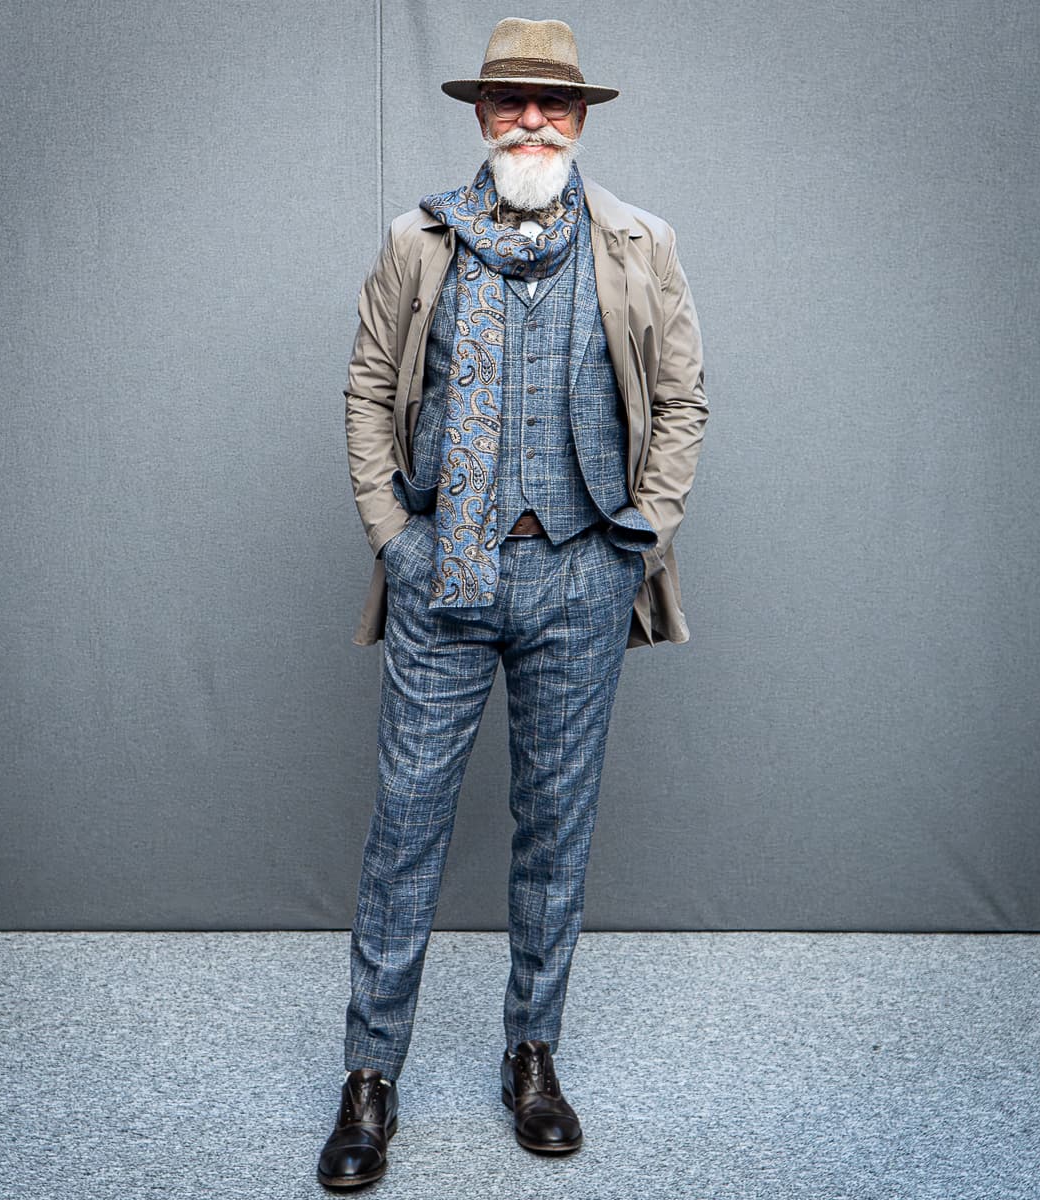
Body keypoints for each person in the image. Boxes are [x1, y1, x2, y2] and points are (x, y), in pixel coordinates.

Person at [319, 17, 708, 1189]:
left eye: (555, 103)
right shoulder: (418, 241)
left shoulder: (640, 242)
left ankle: (532, 1057)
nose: (532, 120)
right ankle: (371, 1075)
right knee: (405, 828)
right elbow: (369, 388)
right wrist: (395, 538)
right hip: (445, 575)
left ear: (580, 118)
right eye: (510, 102)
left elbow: (683, 399)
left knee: (555, 831)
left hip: (583, 574)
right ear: (481, 115)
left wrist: (638, 540)